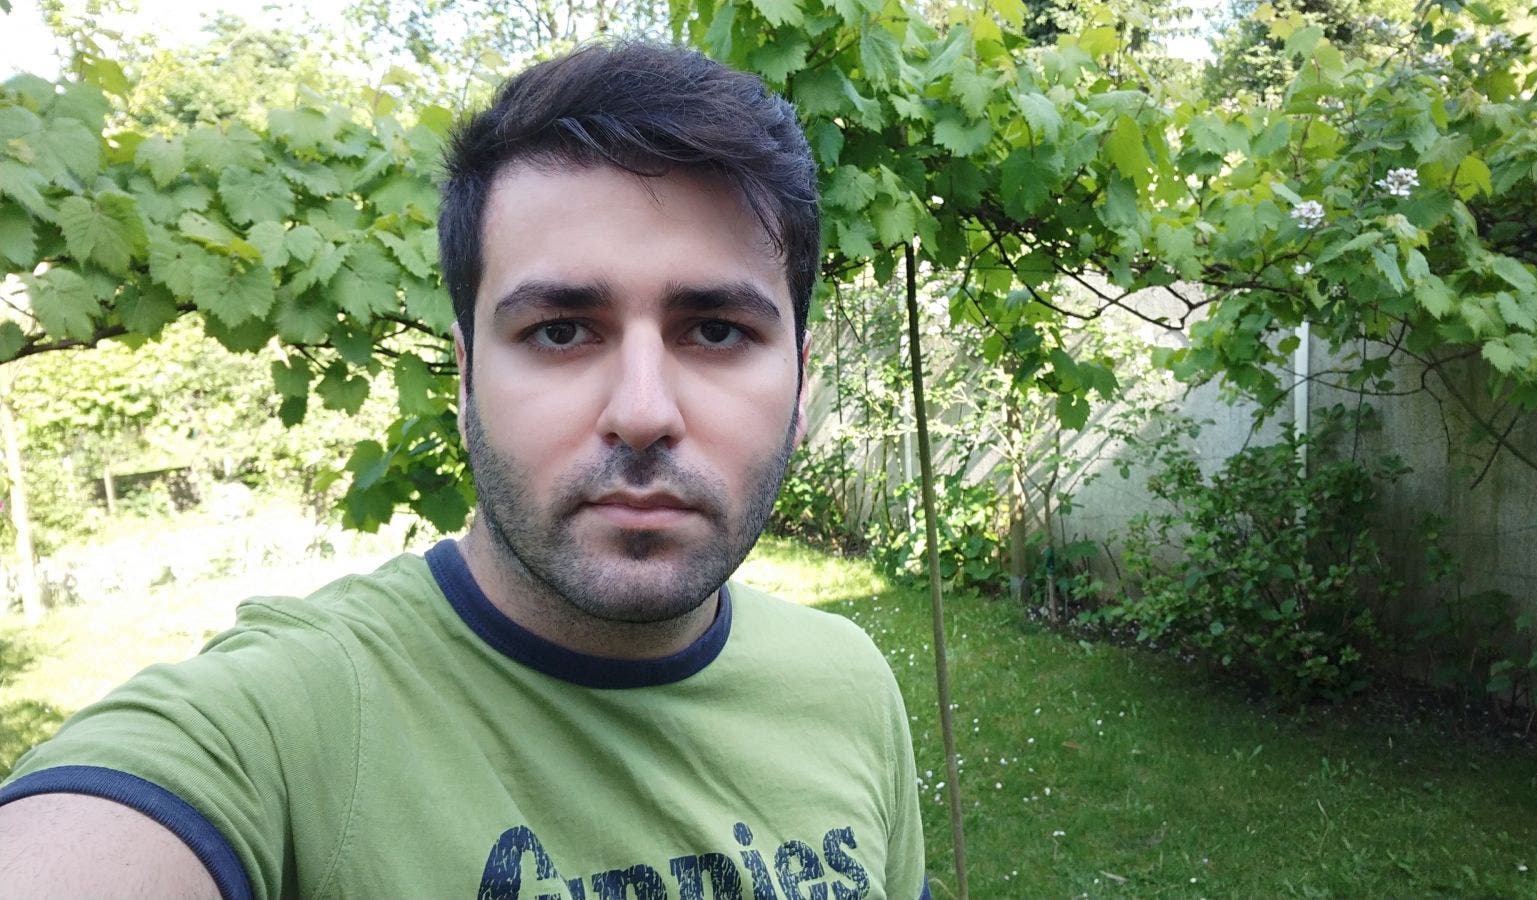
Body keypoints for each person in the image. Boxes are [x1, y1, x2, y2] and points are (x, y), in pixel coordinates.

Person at [0, 42, 927, 899]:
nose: (644, 411)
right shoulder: (295, 722)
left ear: (801, 381)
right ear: (467, 377)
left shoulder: (847, 683)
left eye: (717, 330)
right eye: (560, 331)